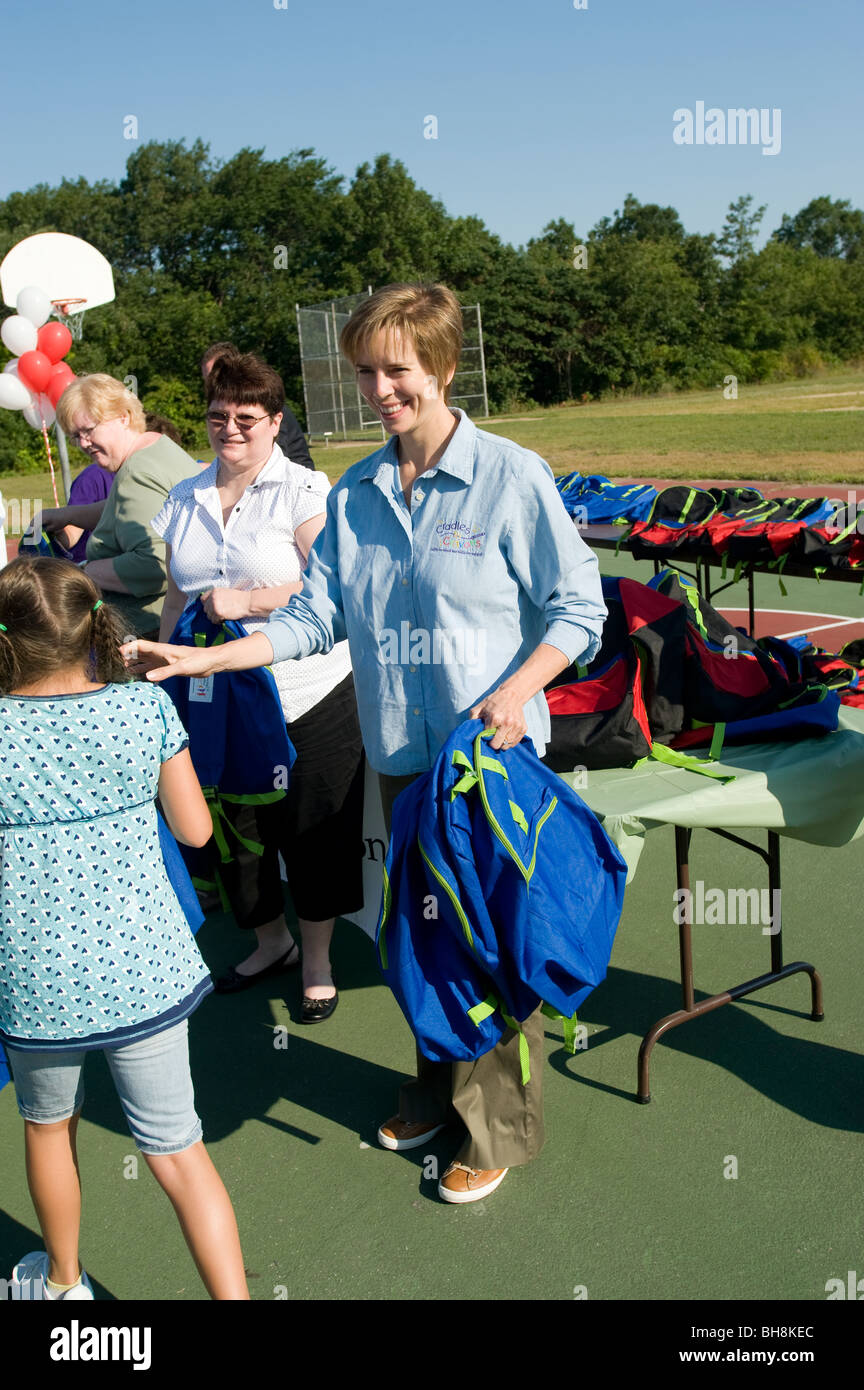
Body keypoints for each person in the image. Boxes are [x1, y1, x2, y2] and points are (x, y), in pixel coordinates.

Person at [124, 282, 607, 1204]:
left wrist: (516, 687)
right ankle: (435, 1089)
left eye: (399, 369)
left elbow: (577, 608)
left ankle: (495, 1127)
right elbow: (314, 616)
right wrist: (206, 658)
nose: (382, 388)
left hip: (488, 764)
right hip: (398, 758)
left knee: (487, 946)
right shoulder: (357, 495)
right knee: (422, 936)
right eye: (366, 372)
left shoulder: (511, 476)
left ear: (444, 367)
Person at [0, 556, 248, 1299]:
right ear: (90, 625)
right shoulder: (141, 708)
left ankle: (63, 1283)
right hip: (143, 969)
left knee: (48, 1128)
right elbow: (198, 832)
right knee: (179, 1152)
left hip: (35, 976)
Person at [152, 352, 364, 1021]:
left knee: (313, 830)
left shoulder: (304, 492)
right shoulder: (185, 494)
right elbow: (178, 591)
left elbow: (333, 586)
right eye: (218, 417)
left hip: (308, 691)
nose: (231, 429)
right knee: (233, 830)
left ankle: (319, 959)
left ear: (275, 421)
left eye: (248, 418)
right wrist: (163, 666)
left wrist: (249, 599)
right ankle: (271, 941)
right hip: (213, 699)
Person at [38, 375, 200, 638]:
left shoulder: (136, 474)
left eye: (88, 430)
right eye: (75, 436)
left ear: (124, 416)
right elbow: (126, 509)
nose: (83, 443)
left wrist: (85, 572)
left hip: (149, 631)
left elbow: (154, 565)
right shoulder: (157, 448)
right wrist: (67, 515)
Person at [201, 342, 315, 471]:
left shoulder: (267, 405)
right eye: (218, 416)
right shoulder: (187, 489)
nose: (230, 429)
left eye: (245, 417)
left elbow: (268, 458)